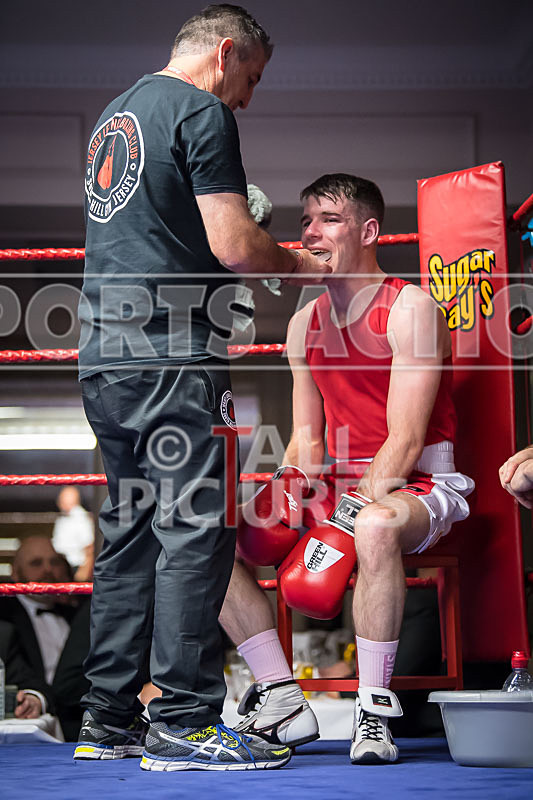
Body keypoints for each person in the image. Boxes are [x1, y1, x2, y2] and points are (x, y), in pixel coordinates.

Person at [75, 4, 328, 772]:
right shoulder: (198, 109)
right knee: (195, 528)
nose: (246, 98)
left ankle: (106, 721)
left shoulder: (114, 116)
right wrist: (305, 270)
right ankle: (183, 721)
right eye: (249, 79)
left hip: (103, 359)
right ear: (225, 55)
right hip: (169, 354)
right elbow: (234, 244)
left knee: (130, 535)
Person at [221, 173, 475, 764]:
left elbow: (406, 439)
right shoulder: (302, 325)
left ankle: (374, 712)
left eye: (328, 220)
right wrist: (284, 490)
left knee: (376, 526)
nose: (310, 232)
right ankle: (280, 694)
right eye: (306, 220)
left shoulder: (410, 309)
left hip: (418, 482)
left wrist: (347, 514)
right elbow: (308, 438)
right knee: (206, 537)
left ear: (368, 232)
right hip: (334, 484)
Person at [0, 536, 91, 740]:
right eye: (36, 563)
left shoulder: (78, 614)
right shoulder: (4, 617)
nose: (48, 570)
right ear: (15, 573)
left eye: (55, 562)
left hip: (80, 718)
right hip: (29, 721)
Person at [52, 487, 94, 580]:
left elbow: (89, 546)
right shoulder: (63, 517)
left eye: (64, 498)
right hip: (62, 567)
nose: (60, 502)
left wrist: (83, 572)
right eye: (61, 498)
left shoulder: (80, 518)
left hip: (75, 567)